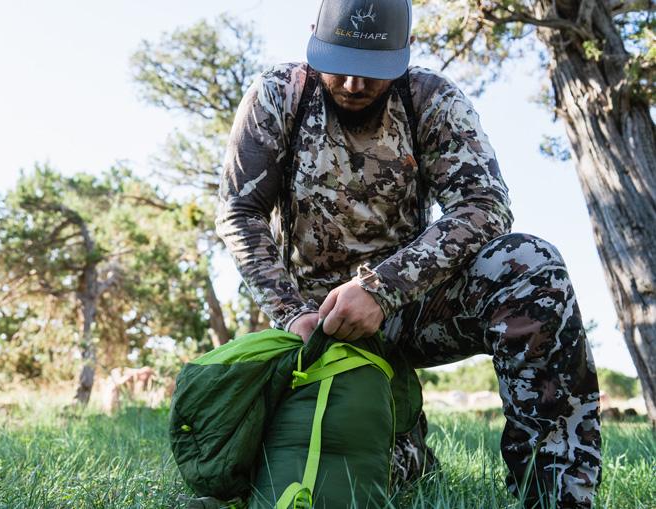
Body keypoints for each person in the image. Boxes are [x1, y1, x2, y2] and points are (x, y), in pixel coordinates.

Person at [214, 0, 602, 507]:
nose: (354, 85)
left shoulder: (430, 99)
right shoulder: (278, 95)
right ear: (314, 37)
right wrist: (292, 314)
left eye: (373, 71)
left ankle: (555, 497)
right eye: (341, 64)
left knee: (531, 266)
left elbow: (483, 206)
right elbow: (238, 214)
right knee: (347, 475)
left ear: (404, 52)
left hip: (411, 309)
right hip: (317, 327)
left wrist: (383, 288)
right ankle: (406, 443)